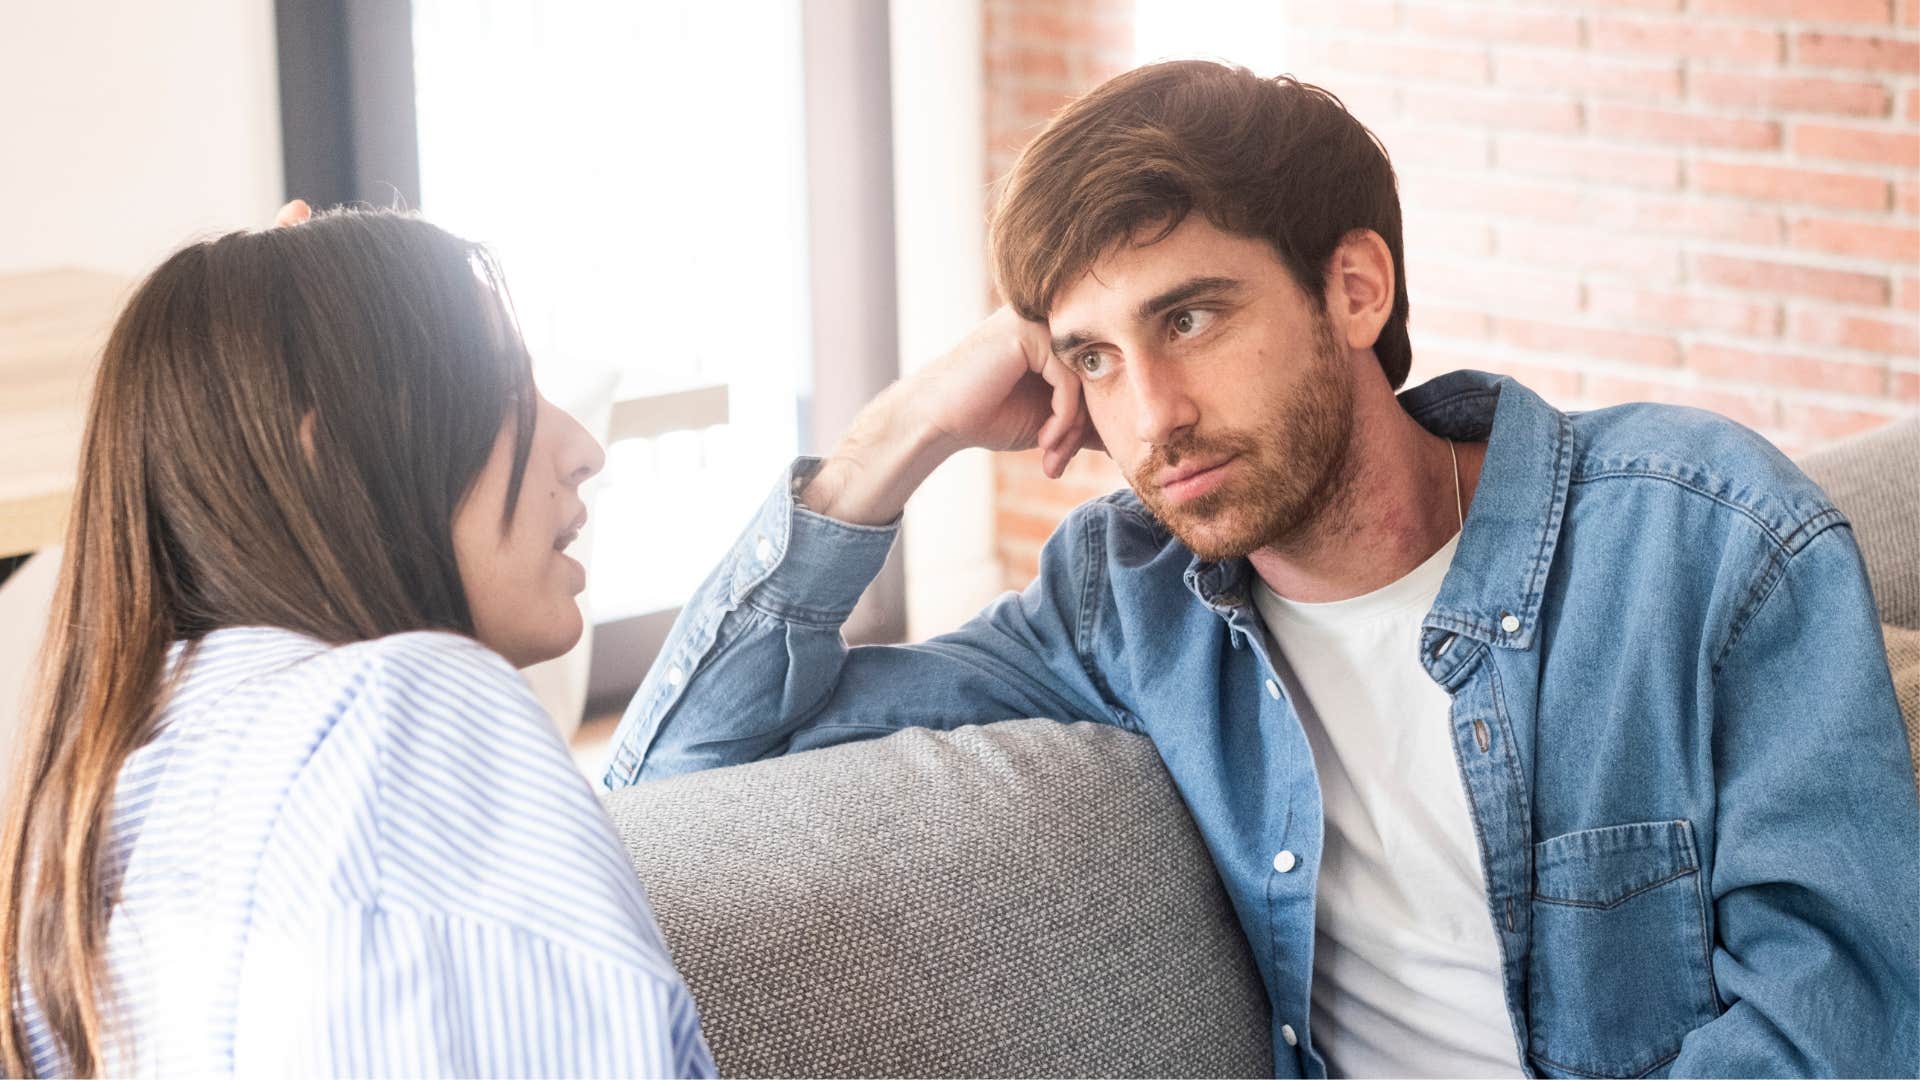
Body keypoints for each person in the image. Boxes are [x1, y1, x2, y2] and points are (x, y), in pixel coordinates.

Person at [603, 60, 1918, 1077]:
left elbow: (1847, 1022)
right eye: (1094, 356)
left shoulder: (1704, 541)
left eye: (1191, 316)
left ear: (1355, 290)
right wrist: (896, 437)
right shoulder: (1124, 600)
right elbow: (674, 778)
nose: (1151, 415)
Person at [1, 209, 714, 1077]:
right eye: (500, 389)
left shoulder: (91, 810)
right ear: (327, 449)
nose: (582, 447)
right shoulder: (401, 715)